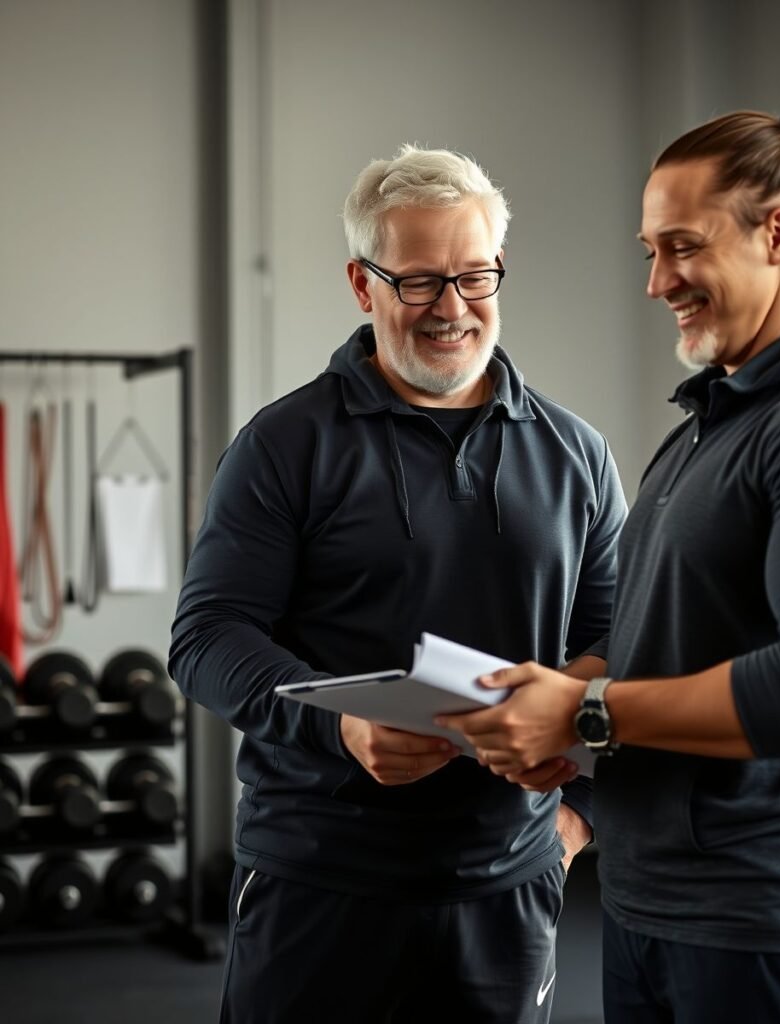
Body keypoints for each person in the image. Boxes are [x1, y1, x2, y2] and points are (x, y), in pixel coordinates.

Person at [439, 79, 780, 1024]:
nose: (656, 281)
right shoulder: (712, 425)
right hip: (651, 908)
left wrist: (586, 711)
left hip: (772, 927)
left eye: (683, 247)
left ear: (779, 236)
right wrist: (537, 703)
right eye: (650, 251)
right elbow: (663, 648)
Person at [168, 144, 628, 1023]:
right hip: (319, 878)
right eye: (418, 281)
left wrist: (579, 821)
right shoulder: (284, 445)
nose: (451, 308)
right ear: (361, 283)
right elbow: (207, 639)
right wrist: (338, 726)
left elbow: (616, 644)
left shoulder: (578, 456)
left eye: (475, 276)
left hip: (509, 887)